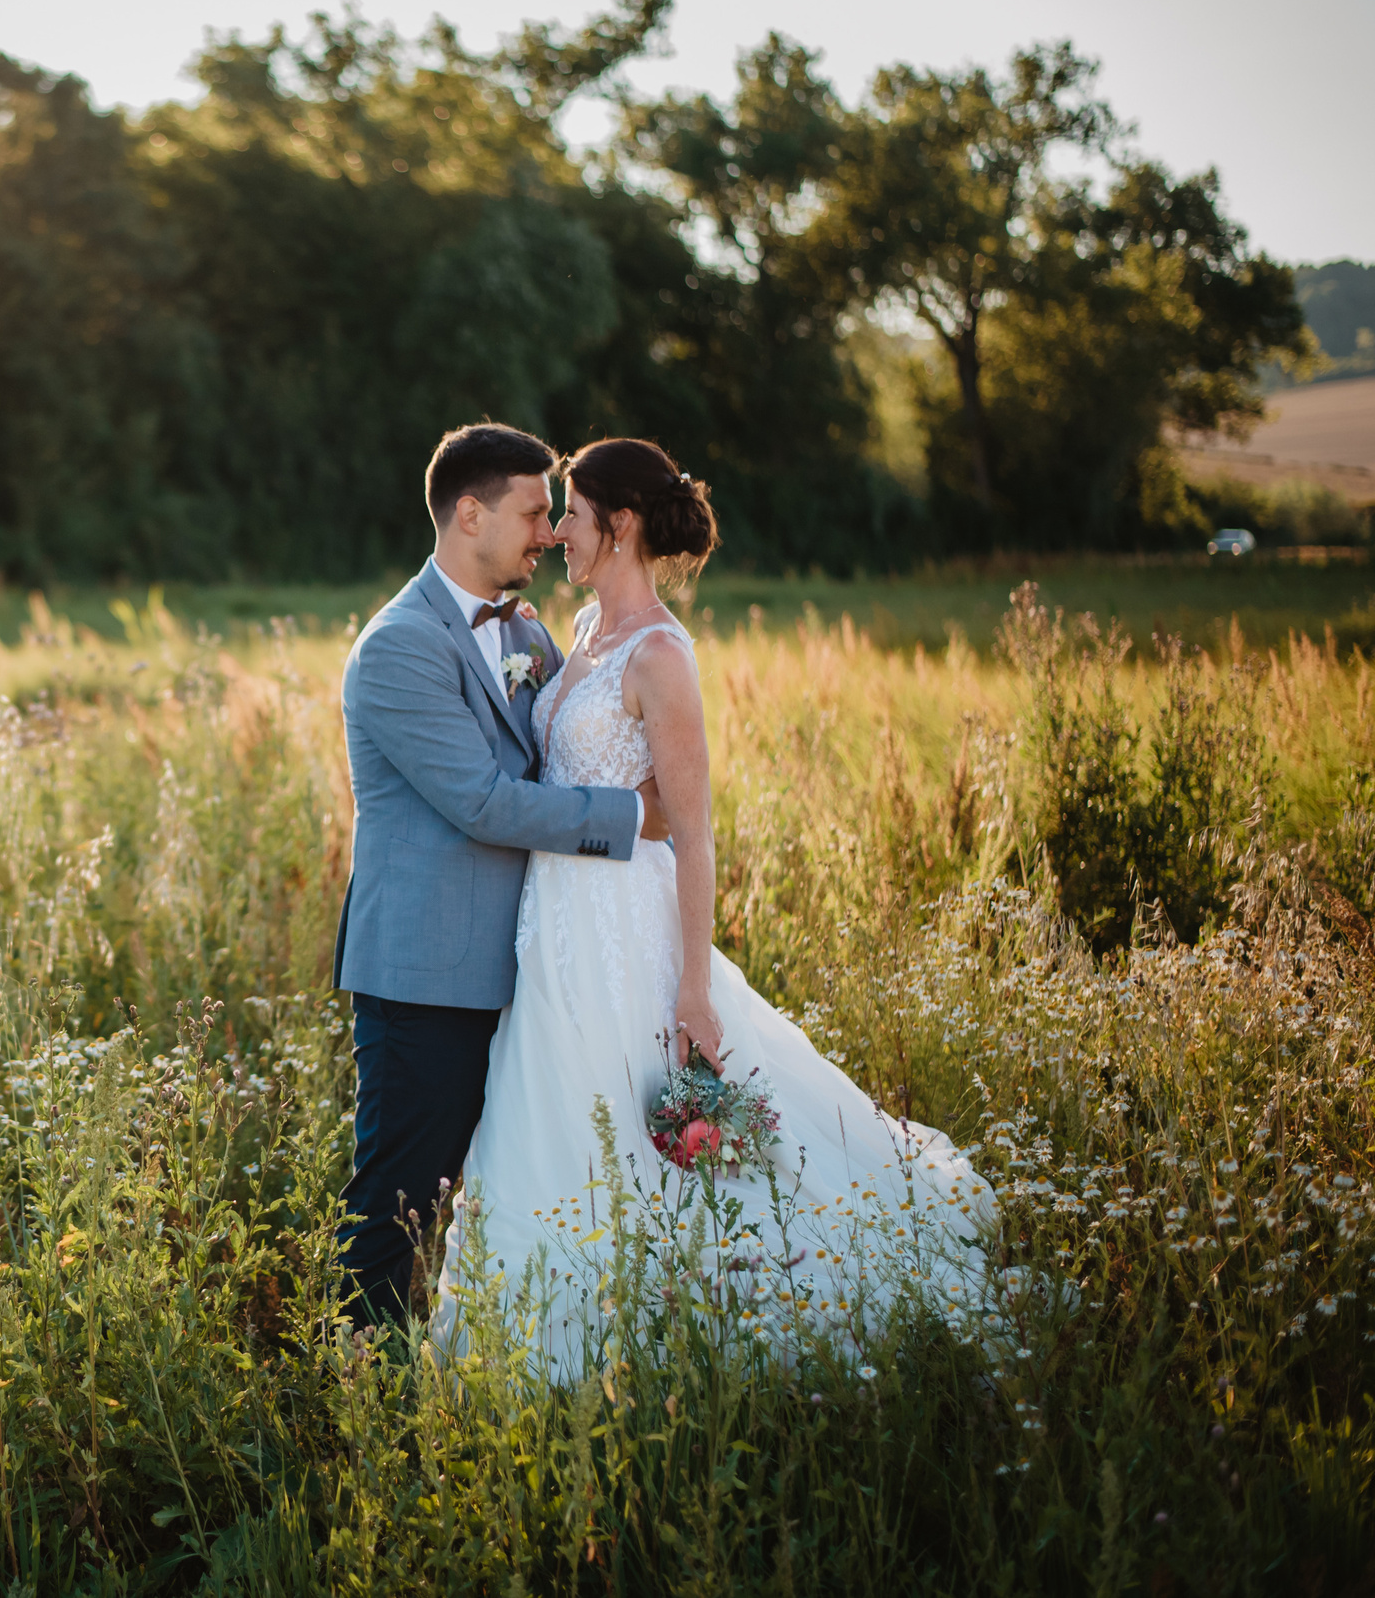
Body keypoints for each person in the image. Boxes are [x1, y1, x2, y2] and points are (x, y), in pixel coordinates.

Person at [429, 437, 995, 1374]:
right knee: (550, 1122)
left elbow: (693, 832)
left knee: (637, 1127)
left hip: (624, 932)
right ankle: (538, 1344)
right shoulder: (575, 637)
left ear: (621, 523)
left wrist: (694, 990)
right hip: (554, 933)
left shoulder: (659, 656)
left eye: (568, 511)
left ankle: (677, 1335)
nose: (557, 530)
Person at [331, 423, 661, 1332]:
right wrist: (634, 814)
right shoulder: (398, 646)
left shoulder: (523, 629)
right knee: (399, 1200)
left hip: (526, 964)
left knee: (499, 1192)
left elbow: (561, 744)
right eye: (532, 511)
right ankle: (360, 1404)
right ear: (467, 514)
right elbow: (482, 801)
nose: (550, 532)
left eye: (557, 515)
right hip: (426, 974)